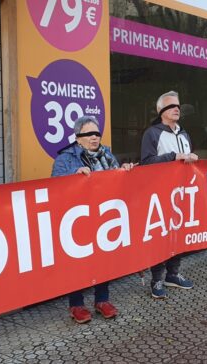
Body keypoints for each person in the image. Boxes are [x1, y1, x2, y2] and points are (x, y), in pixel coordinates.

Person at [51, 116, 134, 323]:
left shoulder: (107, 154)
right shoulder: (65, 158)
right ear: (78, 138)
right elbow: (55, 185)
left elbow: (117, 180)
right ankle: (76, 304)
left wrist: (125, 171)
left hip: (104, 216)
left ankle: (102, 300)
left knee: (103, 259)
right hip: (77, 218)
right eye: (88, 134)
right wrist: (74, 174)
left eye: (97, 133)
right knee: (79, 262)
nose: (94, 137)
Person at [141, 90, 197, 299]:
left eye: (178, 105)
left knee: (178, 235)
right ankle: (157, 279)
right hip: (160, 194)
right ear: (160, 111)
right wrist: (174, 156)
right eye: (171, 106)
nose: (176, 109)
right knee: (160, 237)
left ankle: (172, 274)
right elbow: (146, 162)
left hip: (182, 193)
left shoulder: (184, 133)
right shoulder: (152, 133)